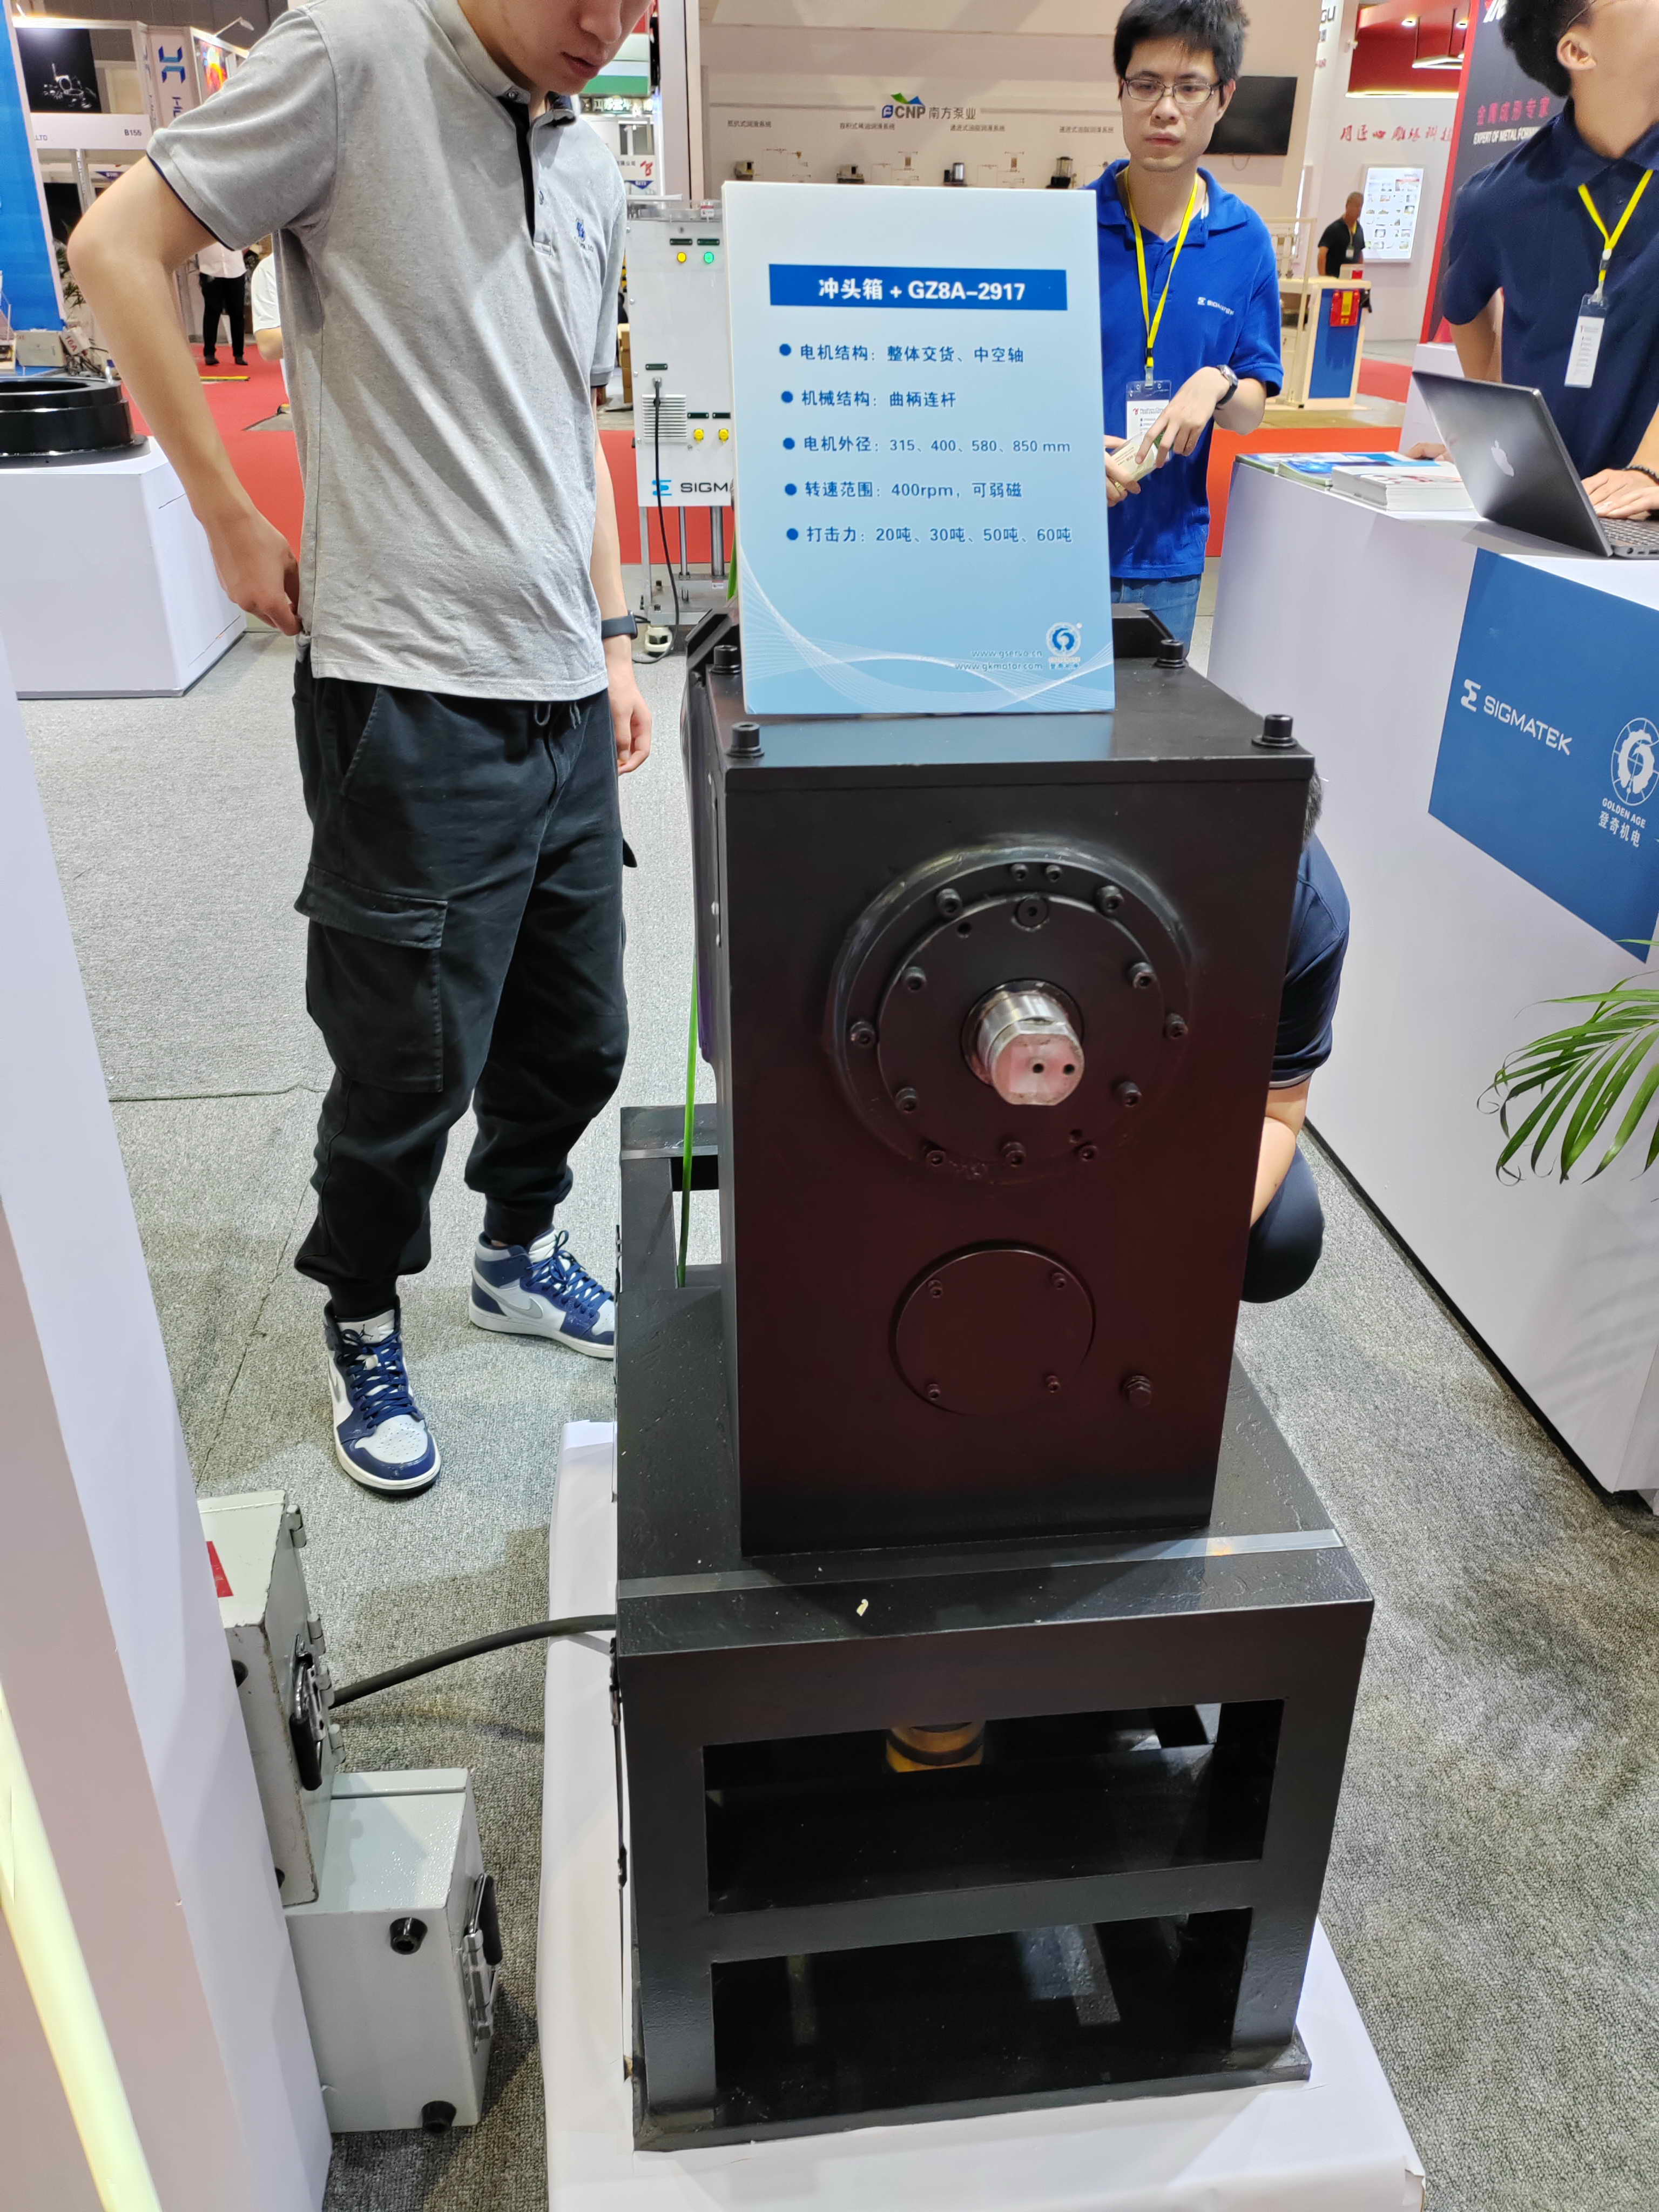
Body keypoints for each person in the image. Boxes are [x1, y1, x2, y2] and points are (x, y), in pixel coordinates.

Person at [69, 0, 652, 1498]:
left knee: (579, 1033)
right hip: (407, 690)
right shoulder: (353, 57)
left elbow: (570, 419)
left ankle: (518, 1248)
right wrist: (224, 511)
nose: (608, 24)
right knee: (406, 1065)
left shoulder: (588, 155)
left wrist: (611, 639)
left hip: (560, 692)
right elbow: (117, 247)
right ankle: (363, 1310)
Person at [1092, 0, 1284, 650]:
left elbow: (1250, 413)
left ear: (1224, 97)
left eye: (1190, 87)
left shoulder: (1245, 239)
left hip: (1170, 554)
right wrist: (1061, 452)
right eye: (1145, 84)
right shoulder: (1065, 229)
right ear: (1121, 91)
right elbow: (1013, 388)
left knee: (1153, 719)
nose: (1165, 109)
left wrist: (1219, 382)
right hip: (1060, 537)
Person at [1434, 0, 1659, 519]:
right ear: (1578, 51)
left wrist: (1650, 468)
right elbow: (1464, 307)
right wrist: (1494, 437)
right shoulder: (1498, 198)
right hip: (1547, 517)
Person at [1242, 778, 1350, 1304]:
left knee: (1281, 1243)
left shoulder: (1310, 915)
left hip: (1194, 1094)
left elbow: (1277, 1115)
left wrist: (1200, 1238)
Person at [194, 234, 246, 366]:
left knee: (237, 313)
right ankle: (209, 353)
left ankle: (239, 354)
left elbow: (246, 240)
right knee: (212, 312)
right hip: (210, 270)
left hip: (236, 269)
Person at [1317, 191, 1366, 276]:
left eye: (1360, 206)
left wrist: (1360, 275)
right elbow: (1322, 254)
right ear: (1347, 206)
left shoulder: (1359, 229)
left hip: (1351, 279)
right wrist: (1323, 278)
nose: (1359, 210)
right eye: (1356, 206)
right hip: (1333, 278)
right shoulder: (1334, 228)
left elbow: (1360, 254)